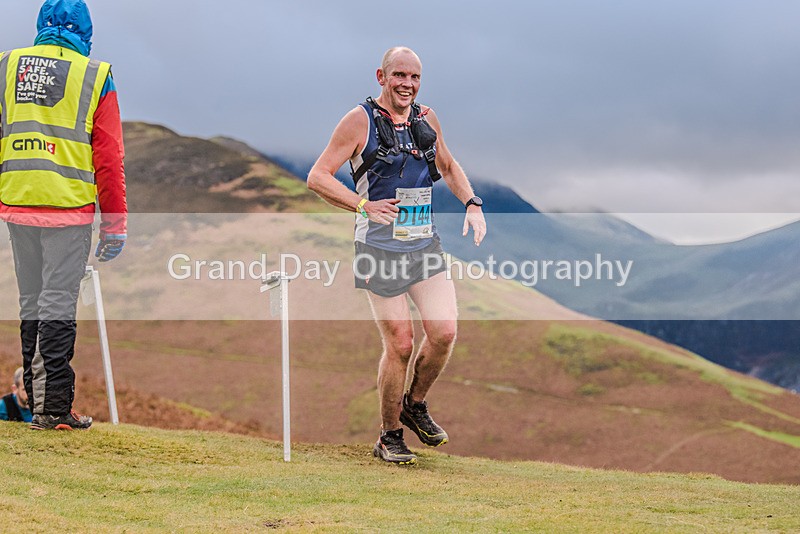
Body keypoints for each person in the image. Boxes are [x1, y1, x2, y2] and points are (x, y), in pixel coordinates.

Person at [308, 47, 486, 464]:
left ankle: (415, 404)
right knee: (401, 345)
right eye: (399, 75)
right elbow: (318, 176)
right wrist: (363, 205)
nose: (407, 84)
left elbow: (447, 164)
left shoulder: (427, 117)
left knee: (443, 332)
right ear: (381, 76)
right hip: (377, 246)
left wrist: (472, 202)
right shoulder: (359, 120)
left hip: (422, 242)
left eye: (415, 77)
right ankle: (389, 436)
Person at [0, 0, 127, 430]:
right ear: (86, 33)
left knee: (31, 302)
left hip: (17, 202)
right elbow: (109, 159)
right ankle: (53, 409)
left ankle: (39, 403)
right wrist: (114, 226)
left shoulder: (5, 66)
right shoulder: (95, 76)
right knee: (57, 305)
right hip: (68, 210)